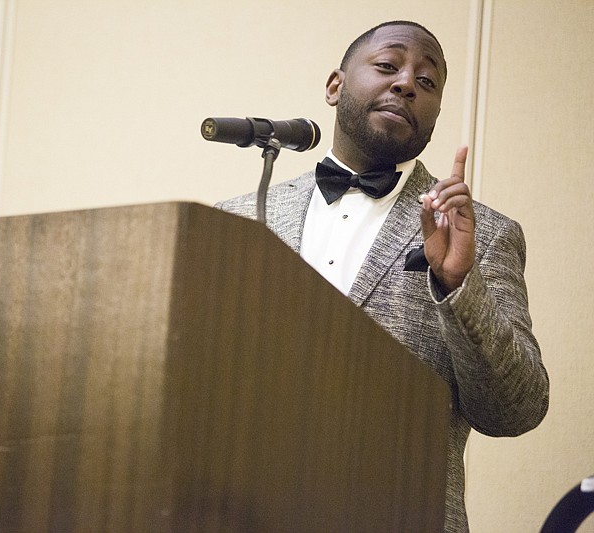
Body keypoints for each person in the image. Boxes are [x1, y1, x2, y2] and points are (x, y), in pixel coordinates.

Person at [216, 20, 549, 532]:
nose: (406, 84)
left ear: (435, 113)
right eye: (388, 66)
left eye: (428, 81)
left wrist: (459, 284)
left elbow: (517, 409)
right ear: (335, 86)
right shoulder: (240, 220)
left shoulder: (483, 234)